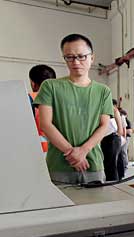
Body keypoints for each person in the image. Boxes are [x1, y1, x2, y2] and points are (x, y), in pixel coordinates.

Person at [35, 33, 113, 184]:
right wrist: (72, 154)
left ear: (92, 57)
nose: (76, 62)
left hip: (92, 164)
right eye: (69, 57)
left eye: (81, 56)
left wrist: (83, 151)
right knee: (59, 207)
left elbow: (104, 126)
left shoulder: (103, 91)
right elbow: (45, 124)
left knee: (94, 206)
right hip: (59, 165)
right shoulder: (50, 86)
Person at [28, 64, 56, 153]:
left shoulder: (29, 98)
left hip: (37, 150)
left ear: (33, 83)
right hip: (59, 151)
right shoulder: (62, 99)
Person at [101, 100, 124, 181]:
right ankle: (116, 180)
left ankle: (112, 184)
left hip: (111, 137)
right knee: (111, 164)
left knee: (110, 165)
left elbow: (115, 110)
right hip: (106, 138)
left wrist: (120, 128)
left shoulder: (103, 104)